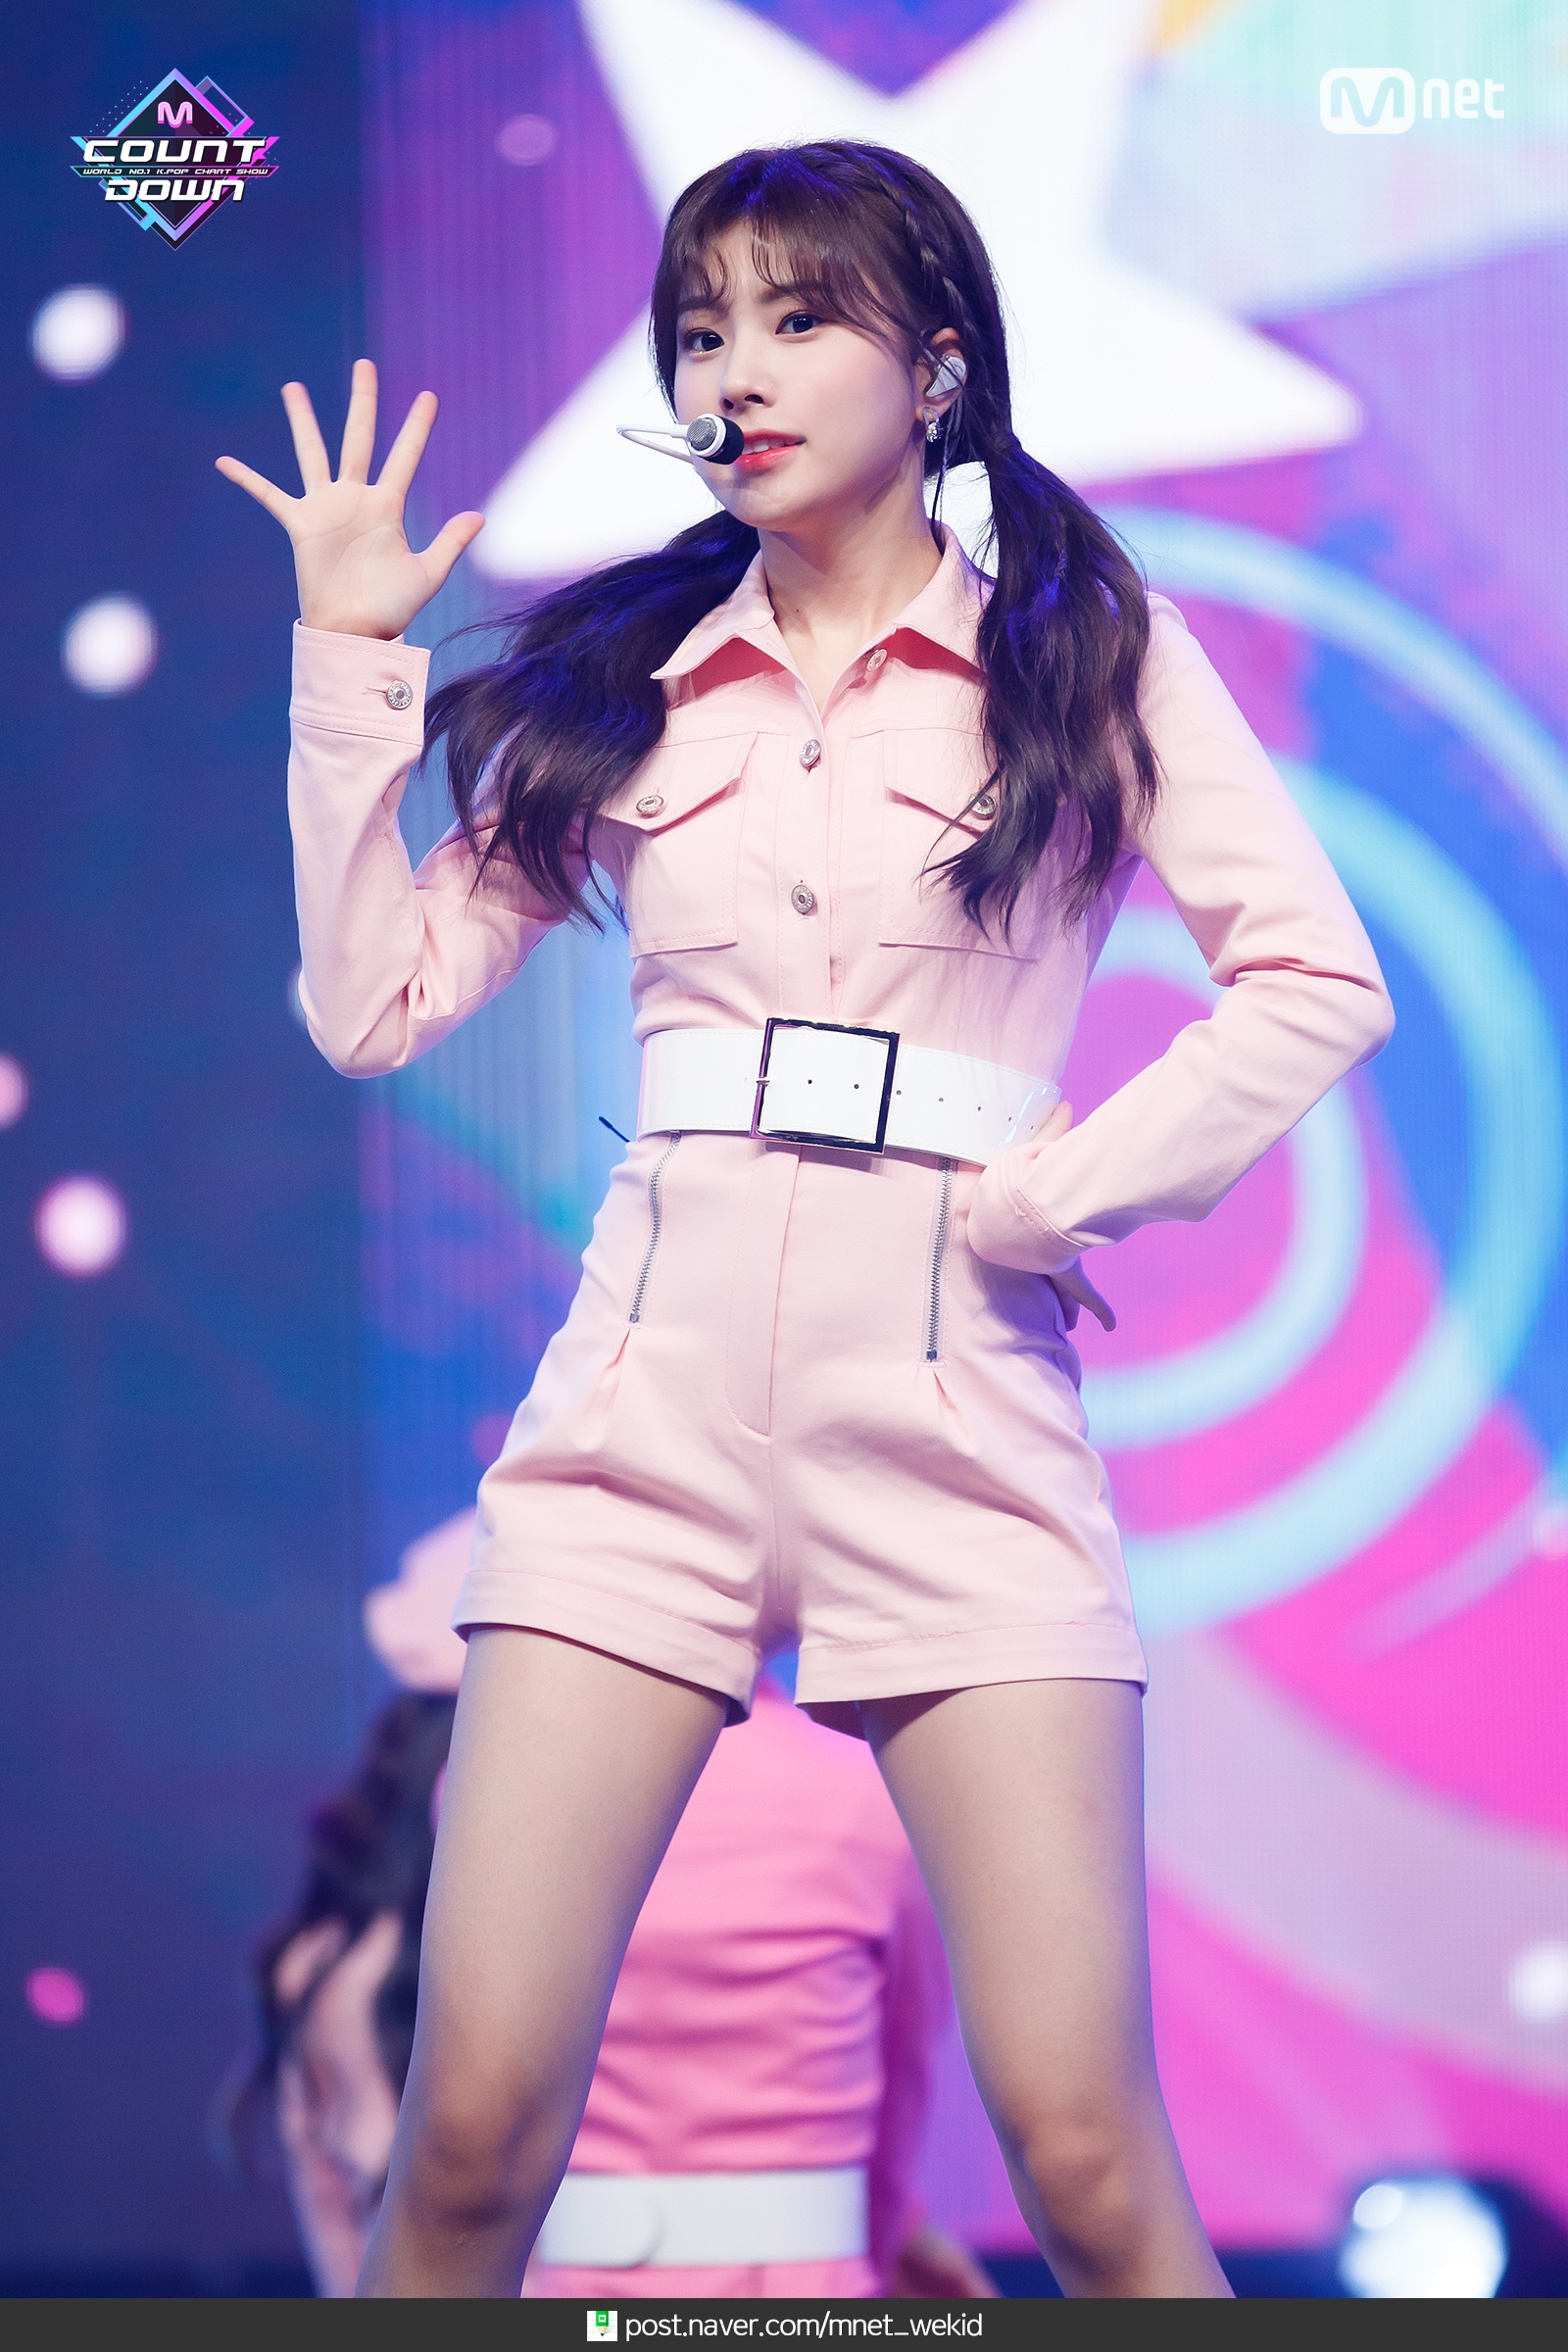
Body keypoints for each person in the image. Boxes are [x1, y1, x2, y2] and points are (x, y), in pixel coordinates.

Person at [217, 140, 1393, 2298]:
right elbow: (376, 1004)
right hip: (636, 1428)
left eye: (789, 319)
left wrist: (1048, 1194)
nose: (728, 374)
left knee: (1084, 2154)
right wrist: (347, 667)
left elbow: (1315, 976)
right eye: (697, 332)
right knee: (467, 2136)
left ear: (933, 367)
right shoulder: (630, 678)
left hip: (953, 1429)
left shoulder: (1082, 652)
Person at [246, 1511, 994, 2301]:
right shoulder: (862, 1789)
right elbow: (900, 2087)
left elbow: (485, 2105)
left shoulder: (498, 1795)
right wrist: (877, 2247)